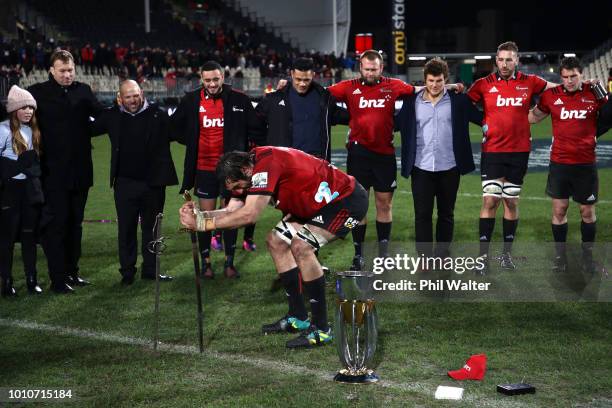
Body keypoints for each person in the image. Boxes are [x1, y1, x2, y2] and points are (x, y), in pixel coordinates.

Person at [179, 147, 368, 348]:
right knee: (276, 241)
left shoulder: (266, 164)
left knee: (301, 246)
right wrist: (200, 217)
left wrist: (203, 225)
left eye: (239, 186)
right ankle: (298, 317)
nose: (239, 192)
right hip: (315, 207)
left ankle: (322, 329)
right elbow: (231, 210)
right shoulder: (250, 171)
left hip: (347, 203)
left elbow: (248, 215)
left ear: (246, 169)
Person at [325, 50, 461, 269]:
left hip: (384, 156)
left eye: (375, 69)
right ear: (361, 67)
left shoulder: (393, 85)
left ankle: (384, 253)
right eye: (367, 69)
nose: (370, 73)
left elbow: (421, 89)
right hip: (358, 155)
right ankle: (359, 254)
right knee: (359, 206)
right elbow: (321, 93)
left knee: (384, 205)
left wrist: (452, 87)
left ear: (381, 68)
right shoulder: (348, 87)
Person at [467, 41, 557, 271]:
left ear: (517, 60)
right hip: (493, 151)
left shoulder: (530, 81)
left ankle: (506, 256)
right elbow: (464, 106)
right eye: (501, 59)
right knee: (490, 200)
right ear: (495, 60)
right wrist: (483, 122)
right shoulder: (483, 84)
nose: (504, 64)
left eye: (509, 59)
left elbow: (556, 89)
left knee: (511, 201)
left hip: (519, 152)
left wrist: (584, 85)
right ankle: (482, 258)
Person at [171, 60, 263, 279]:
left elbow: (257, 129)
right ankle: (206, 263)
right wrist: (192, 140)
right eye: (207, 80)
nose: (212, 84)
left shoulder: (239, 99)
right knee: (204, 217)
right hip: (203, 168)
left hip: (230, 171)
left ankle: (229, 263)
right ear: (201, 79)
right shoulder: (191, 100)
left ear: (223, 77)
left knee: (231, 215)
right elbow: (173, 127)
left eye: (215, 79)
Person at [28, 50, 104, 293]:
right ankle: (57, 279)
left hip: (81, 172)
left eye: (70, 70)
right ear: (51, 70)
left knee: (75, 225)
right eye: (62, 70)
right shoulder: (37, 93)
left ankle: (72, 273)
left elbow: (101, 118)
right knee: (57, 226)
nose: (67, 74)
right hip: (52, 174)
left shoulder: (83, 91)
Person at [528, 57, 611, 273]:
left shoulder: (593, 92)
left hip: (585, 163)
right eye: (565, 77)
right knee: (559, 209)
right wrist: (506, 115)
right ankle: (560, 257)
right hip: (560, 162)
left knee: (587, 211)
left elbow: (610, 113)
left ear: (581, 74)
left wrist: (603, 93)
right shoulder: (550, 96)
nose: (569, 81)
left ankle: (587, 258)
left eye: (573, 76)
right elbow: (533, 117)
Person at [92, 80, 178, 284]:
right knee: (126, 229)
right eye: (128, 96)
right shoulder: (112, 116)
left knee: (152, 228)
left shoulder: (159, 114)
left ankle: (151, 270)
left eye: (136, 95)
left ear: (142, 93)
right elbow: (87, 129)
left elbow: (181, 133)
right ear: (119, 98)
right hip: (124, 183)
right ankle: (127, 272)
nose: (133, 99)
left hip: (153, 183)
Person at [396, 58, 481, 259]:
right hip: (421, 167)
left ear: (446, 80)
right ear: (424, 80)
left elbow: (481, 118)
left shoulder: (458, 100)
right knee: (422, 216)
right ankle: (424, 257)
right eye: (431, 80)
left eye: (439, 81)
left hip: (450, 166)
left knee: (446, 214)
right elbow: (394, 123)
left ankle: (442, 254)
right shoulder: (411, 102)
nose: (435, 85)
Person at [255, 57, 348, 162]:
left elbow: (346, 116)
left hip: (316, 164)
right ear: (292, 74)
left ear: (313, 75)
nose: (302, 84)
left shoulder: (324, 99)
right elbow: (254, 123)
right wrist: (268, 144)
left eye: (306, 80)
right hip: (286, 164)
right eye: (298, 79)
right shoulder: (274, 99)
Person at [0, 86, 44, 296]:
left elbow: (33, 164)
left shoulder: (31, 130)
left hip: (29, 190)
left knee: (29, 236)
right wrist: (18, 165)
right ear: (13, 109)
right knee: (7, 239)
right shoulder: (2, 129)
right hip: (10, 190)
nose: (28, 111)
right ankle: (6, 282)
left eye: (31, 108)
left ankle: (31, 279)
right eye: (24, 107)